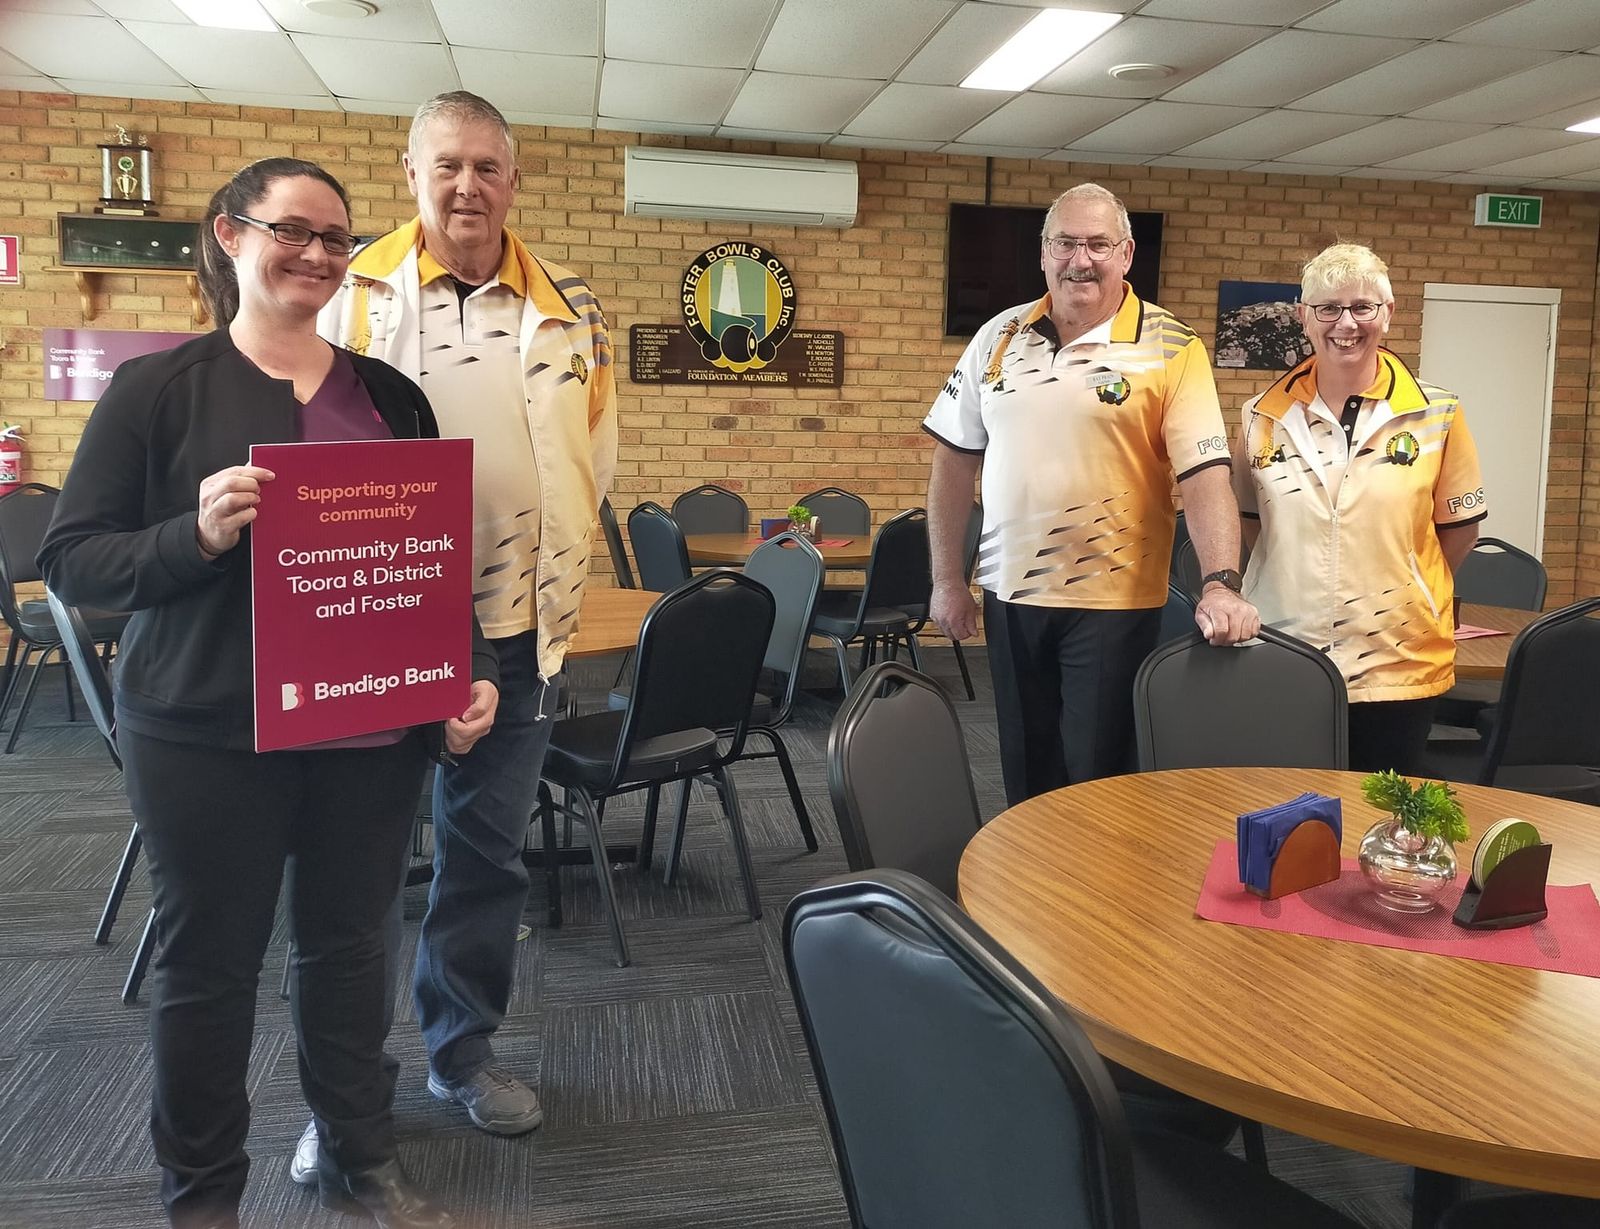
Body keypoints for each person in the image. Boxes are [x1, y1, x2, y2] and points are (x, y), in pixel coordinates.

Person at [38, 157, 500, 1229]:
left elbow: (426, 562)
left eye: (338, 240)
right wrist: (192, 534)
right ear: (230, 235)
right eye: (294, 230)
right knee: (210, 967)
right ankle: (202, 1198)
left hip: (370, 728)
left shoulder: (390, 396)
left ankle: (358, 1158)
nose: (318, 256)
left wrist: (460, 671)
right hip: (207, 731)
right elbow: (76, 562)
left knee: (352, 953)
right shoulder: (158, 389)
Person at [303, 91, 616, 1164]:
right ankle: (337, 1096)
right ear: (411, 173)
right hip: (374, 619)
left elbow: (595, 453)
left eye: (487, 165)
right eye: (447, 166)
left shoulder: (570, 303)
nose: (466, 186)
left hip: (519, 627)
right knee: (354, 867)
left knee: (485, 860)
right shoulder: (351, 295)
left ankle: (460, 1052)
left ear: (514, 180)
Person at [926, 182, 1260, 806]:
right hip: (1011, 593)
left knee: (1098, 775)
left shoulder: (1174, 347)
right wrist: (949, 578)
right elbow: (952, 463)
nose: (1082, 259)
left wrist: (1221, 580)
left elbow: (1205, 475)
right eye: (1066, 243)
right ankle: (1027, 894)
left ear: (1126, 253)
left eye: (1098, 244)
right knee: (1025, 766)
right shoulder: (997, 337)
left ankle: (1095, 900)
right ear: (1044, 252)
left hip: (1117, 602)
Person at [1232, 243, 1485, 773]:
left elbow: (1457, 533)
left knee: (1385, 826)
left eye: (1362, 307)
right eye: (1328, 308)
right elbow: (1254, 526)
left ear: (1387, 314)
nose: (1345, 323)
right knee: (1292, 820)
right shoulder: (1260, 416)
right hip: (1287, 650)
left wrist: (1404, 579)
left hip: (1400, 657)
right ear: (1304, 317)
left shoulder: (1437, 414)